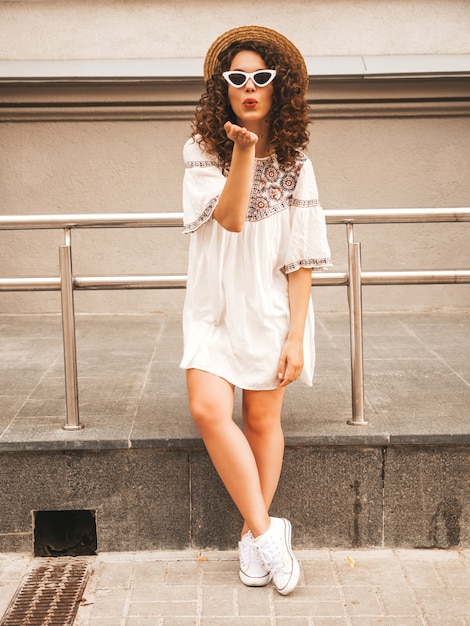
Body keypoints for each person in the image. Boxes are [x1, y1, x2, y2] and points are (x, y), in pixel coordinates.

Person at [180, 25, 331, 596]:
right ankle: (271, 533)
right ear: (222, 87)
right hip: (214, 307)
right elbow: (231, 219)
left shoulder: (296, 160)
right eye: (237, 77)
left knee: (263, 419)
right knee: (208, 409)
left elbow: (301, 258)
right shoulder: (202, 149)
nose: (249, 86)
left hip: (271, 309)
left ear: (279, 87)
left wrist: (296, 336)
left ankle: (249, 535)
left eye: (261, 77)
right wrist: (242, 150)